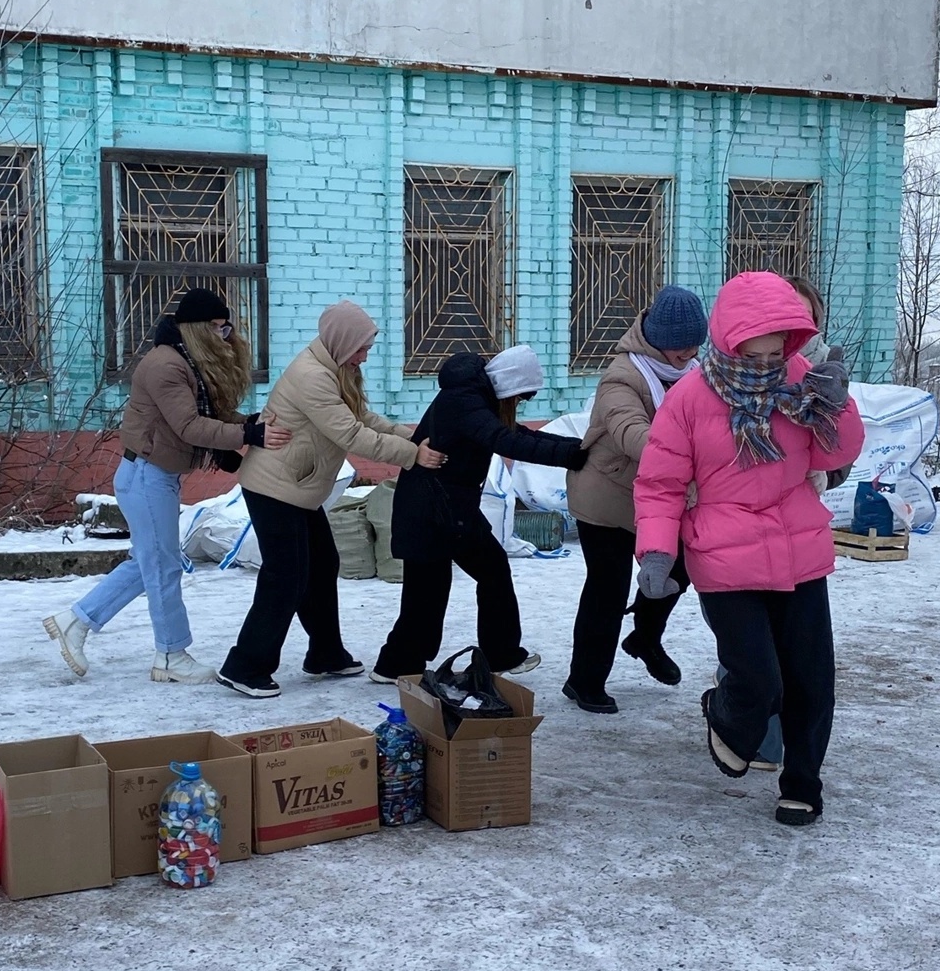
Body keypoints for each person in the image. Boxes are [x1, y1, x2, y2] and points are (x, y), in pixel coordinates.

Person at [633, 270, 865, 828]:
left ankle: (802, 785)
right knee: (758, 678)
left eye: (780, 344)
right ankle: (728, 717)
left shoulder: (801, 379)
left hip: (799, 549)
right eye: (759, 346)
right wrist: (657, 555)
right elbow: (660, 485)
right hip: (724, 554)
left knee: (811, 680)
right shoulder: (691, 396)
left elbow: (836, 457)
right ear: (733, 337)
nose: (770, 360)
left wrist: (838, 406)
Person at [43, 288, 288, 683]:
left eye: (226, 328)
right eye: (216, 328)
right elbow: (189, 425)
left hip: (155, 475)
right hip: (146, 476)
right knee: (164, 566)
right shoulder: (166, 366)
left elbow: (205, 415)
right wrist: (249, 433)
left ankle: (76, 621)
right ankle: (171, 655)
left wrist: (248, 422)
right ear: (194, 327)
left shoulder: (185, 361)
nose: (224, 336)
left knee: (149, 562)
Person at [217, 302, 444, 699]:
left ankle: (325, 653)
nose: (365, 356)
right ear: (341, 342)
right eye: (361, 348)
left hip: (297, 487)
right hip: (273, 485)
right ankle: (245, 666)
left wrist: (408, 434)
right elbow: (351, 435)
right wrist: (412, 456)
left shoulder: (338, 368)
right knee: (286, 575)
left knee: (323, 564)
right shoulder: (312, 377)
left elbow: (363, 418)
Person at [370, 344, 587, 685]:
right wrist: (572, 457)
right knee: (429, 592)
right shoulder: (465, 402)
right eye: (521, 398)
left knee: (475, 577)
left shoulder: (475, 398)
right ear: (510, 388)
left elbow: (515, 433)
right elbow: (504, 439)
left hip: (448, 510)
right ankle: (400, 664)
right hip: (431, 513)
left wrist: (575, 448)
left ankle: (491, 654)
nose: (519, 406)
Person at [563, 285, 707, 715]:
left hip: (661, 499)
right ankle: (584, 681)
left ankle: (645, 637)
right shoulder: (622, 376)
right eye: (680, 345)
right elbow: (630, 432)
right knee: (606, 589)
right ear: (657, 339)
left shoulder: (696, 372)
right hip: (606, 497)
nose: (689, 352)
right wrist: (693, 456)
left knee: (678, 569)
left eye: (694, 343)